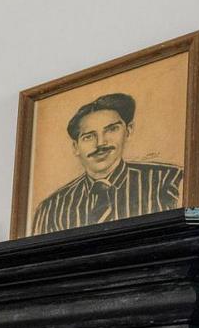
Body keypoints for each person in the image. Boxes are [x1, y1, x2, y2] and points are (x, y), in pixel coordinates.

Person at [30, 92, 183, 235]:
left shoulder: (170, 181)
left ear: (128, 131)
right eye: (89, 137)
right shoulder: (51, 208)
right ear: (76, 147)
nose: (101, 143)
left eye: (111, 130)